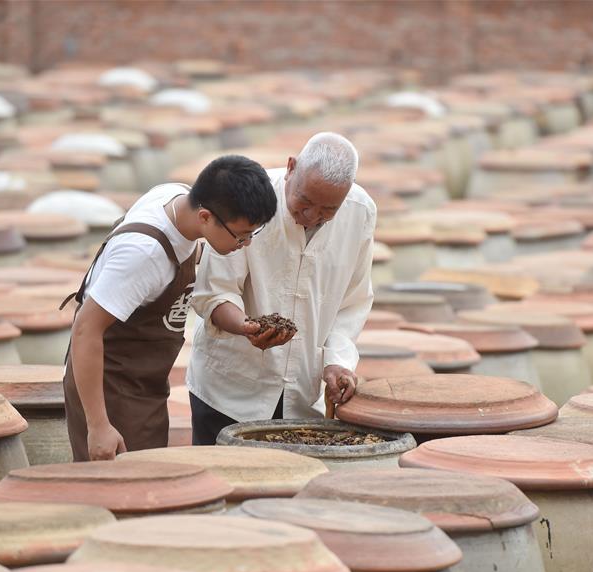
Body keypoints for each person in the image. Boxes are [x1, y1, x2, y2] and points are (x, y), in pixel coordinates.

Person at [62, 155, 277, 461]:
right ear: (205, 216)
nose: (245, 245)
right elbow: (85, 329)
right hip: (110, 385)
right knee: (121, 492)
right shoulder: (144, 254)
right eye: (240, 236)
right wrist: (98, 425)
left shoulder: (175, 197)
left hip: (143, 380)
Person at [188, 132, 375, 444]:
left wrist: (337, 362)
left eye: (329, 210)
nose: (312, 216)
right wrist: (246, 327)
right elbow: (214, 291)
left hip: (303, 398)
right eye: (304, 202)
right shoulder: (247, 198)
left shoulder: (361, 212)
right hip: (228, 394)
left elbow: (351, 303)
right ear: (291, 168)